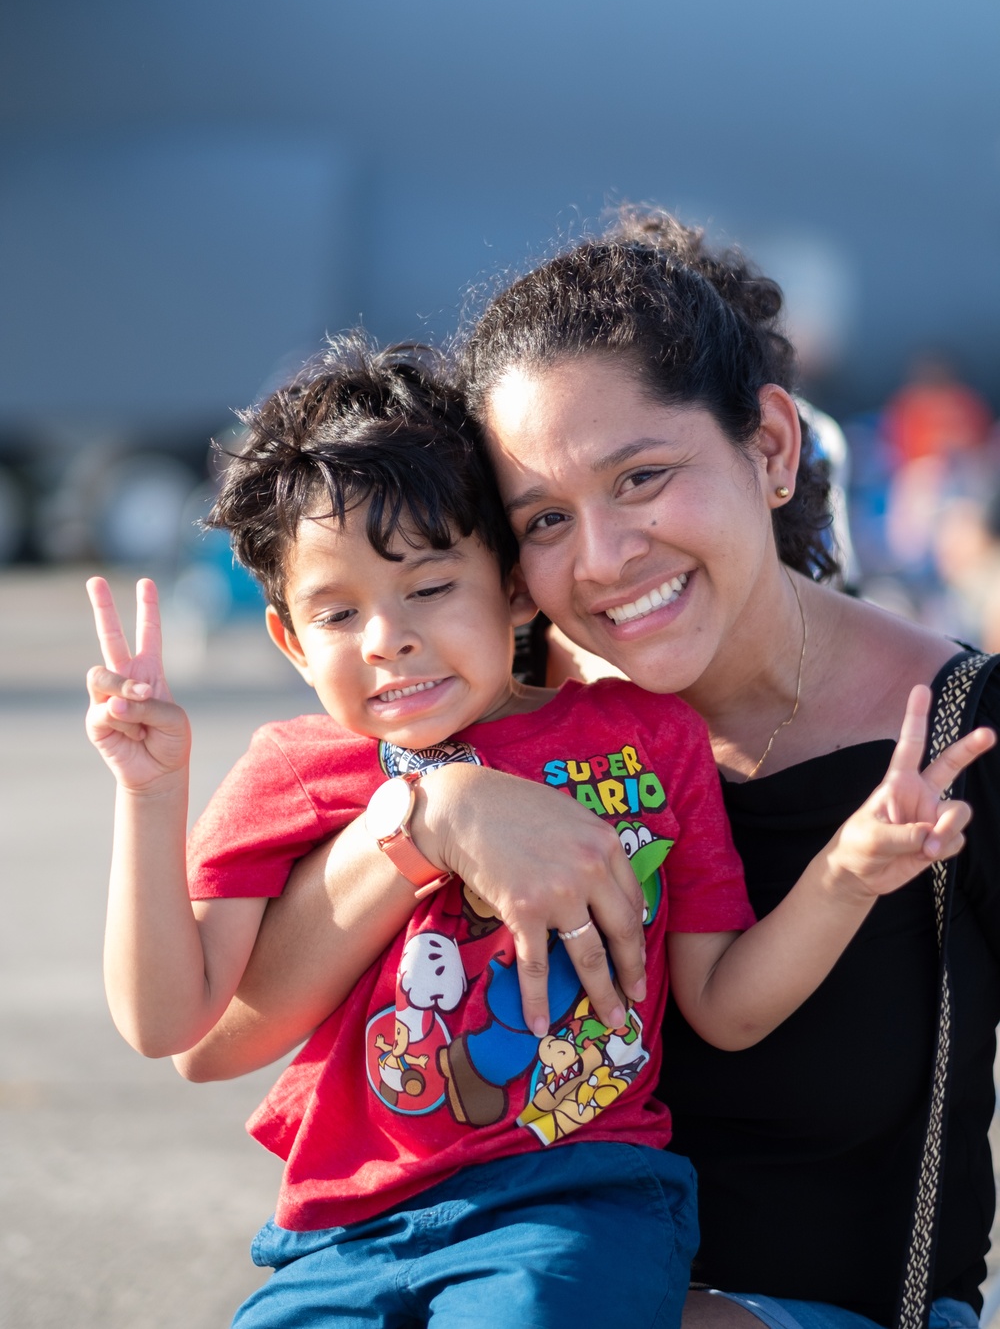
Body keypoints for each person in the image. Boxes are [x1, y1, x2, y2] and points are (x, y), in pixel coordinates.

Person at [175, 212, 1000, 1329]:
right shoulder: (479, 724)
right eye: (546, 518)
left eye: (644, 477)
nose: (605, 558)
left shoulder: (965, 737)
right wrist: (425, 817)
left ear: (766, 446)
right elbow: (213, 1034)